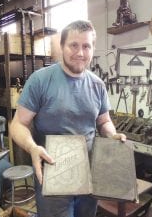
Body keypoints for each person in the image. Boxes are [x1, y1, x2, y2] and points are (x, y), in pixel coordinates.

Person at [10, 20, 126, 217]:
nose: (80, 53)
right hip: (52, 174)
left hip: (89, 175)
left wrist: (112, 135)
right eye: (74, 45)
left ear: (92, 49)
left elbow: (104, 121)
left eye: (86, 46)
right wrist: (32, 147)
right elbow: (18, 124)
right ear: (62, 46)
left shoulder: (97, 85)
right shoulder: (40, 80)